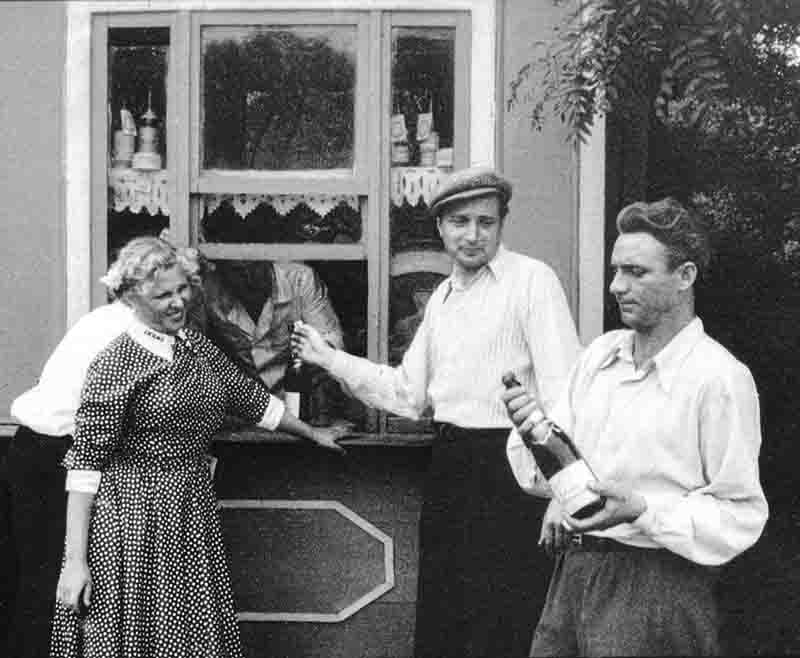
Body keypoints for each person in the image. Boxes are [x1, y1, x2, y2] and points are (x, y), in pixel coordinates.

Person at [292, 166, 582, 658]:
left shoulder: (533, 282)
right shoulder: (443, 299)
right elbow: (409, 394)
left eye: (486, 222)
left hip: (512, 468)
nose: (473, 234)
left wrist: (564, 489)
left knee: (507, 620)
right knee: (447, 615)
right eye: (461, 221)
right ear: (441, 228)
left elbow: (566, 391)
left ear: (501, 225)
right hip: (452, 463)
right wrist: (330, 359)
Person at [48, 237, 345, 658]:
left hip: (190, 508)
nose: (176, 303)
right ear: (131, 298)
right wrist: (75, 562)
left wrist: (312, 433)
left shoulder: (194, 345)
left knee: (187, 632)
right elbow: (84, 468)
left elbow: (249, 397)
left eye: (181, 290)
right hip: (132, 519)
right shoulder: (114, 363)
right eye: (161, 296)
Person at [503, 197, 769, 656]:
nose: (616, 286)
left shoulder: (718, 378)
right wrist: (532, 430)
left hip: (658, 585)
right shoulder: (600, 357)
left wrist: (643, 510)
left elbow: (739, 515)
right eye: (615, 270)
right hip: (574, 575)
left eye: (636, 272)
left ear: (685, 277)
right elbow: (562, 475)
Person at [189, 259, 344, 424]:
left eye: (254, 266)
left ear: (267, 259)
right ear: (223, 269)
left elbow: (333, 349)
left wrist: (309, 357)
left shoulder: (299, 279)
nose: (249, 278)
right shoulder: (208, 289)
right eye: (238, 272)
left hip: (298, 411)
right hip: (238, 419)